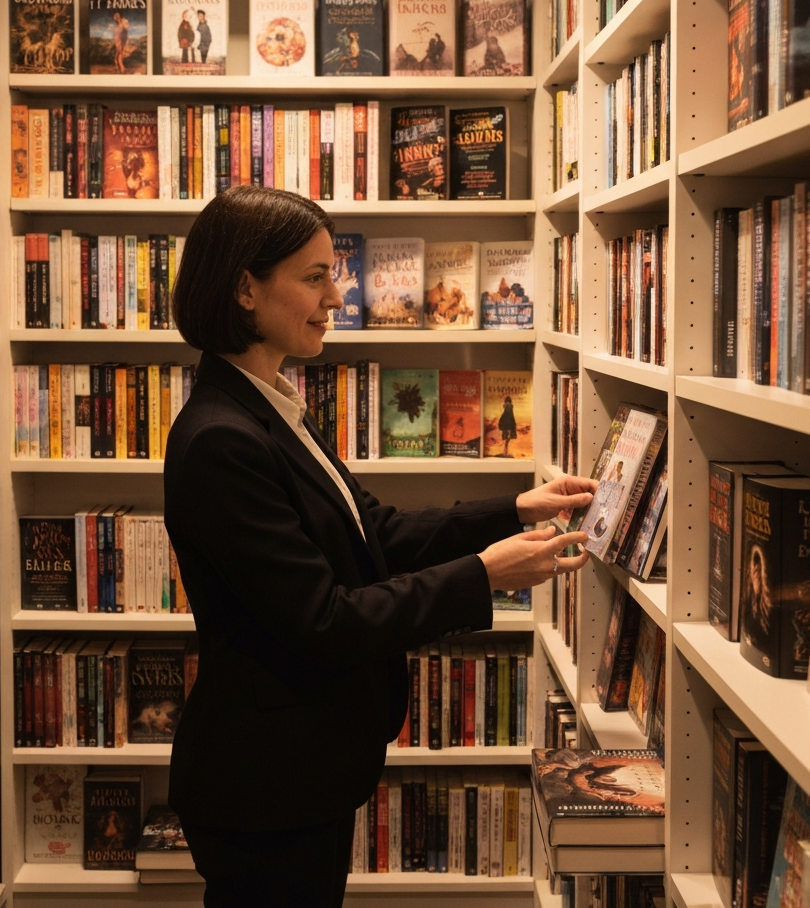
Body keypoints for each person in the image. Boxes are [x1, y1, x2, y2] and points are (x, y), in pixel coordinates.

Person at [163, 187, 596, 907]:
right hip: (265, 787)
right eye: (314, 276)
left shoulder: (269, 407)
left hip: (300, 773)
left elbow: (378, 534)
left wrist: (513, 509)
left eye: (333, 273)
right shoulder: (221, 440)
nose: (338, 294)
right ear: (245, 288)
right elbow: (324, 622)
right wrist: (485, 574)